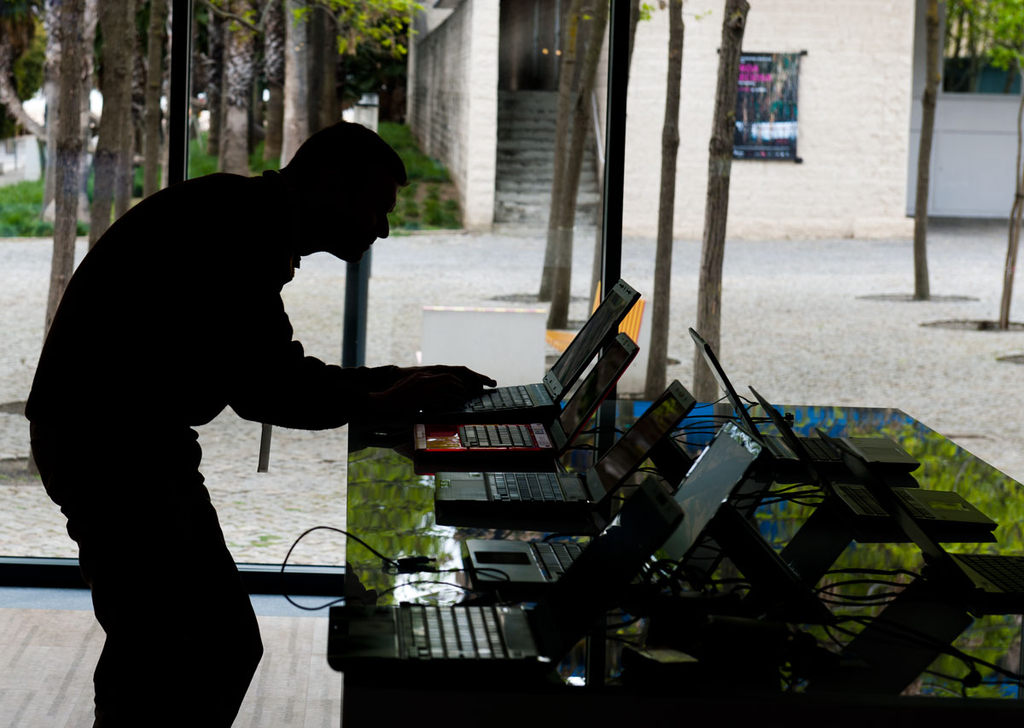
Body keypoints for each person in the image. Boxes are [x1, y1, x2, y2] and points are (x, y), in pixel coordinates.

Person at [26, 120, 494, 726]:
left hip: (110, 438)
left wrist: (389, 383)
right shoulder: (240, 232)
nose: (382, 226)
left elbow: (271, 370)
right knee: (202, 645)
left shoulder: (244, 215)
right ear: (330, 185)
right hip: (113, 449)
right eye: (376, 206)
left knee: (164, 642)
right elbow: (270, 389)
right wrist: (385, 396)